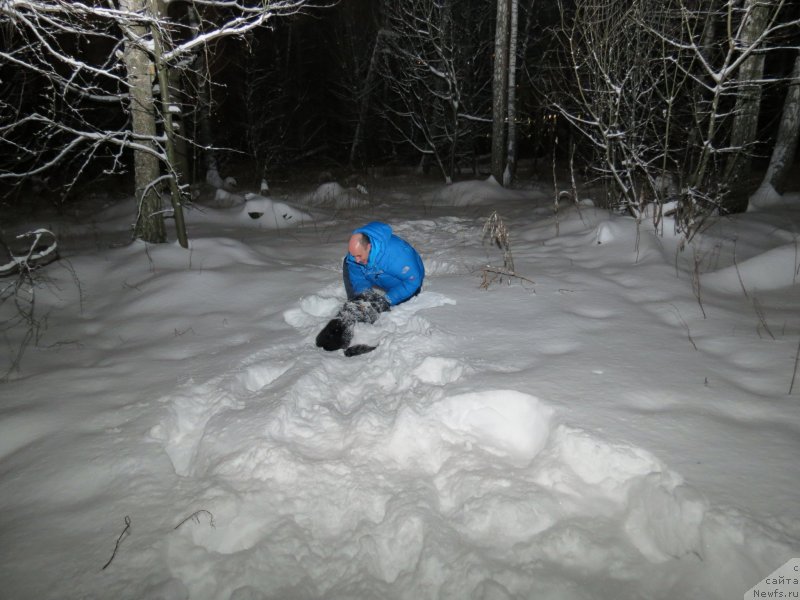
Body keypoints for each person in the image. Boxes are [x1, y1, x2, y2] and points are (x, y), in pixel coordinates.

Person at [316, 221, 425, 355]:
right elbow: (358, 278)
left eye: (359, 256)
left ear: (369, 246)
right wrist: (363, 298)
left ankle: (372, 339)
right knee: (360, 298)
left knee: (390, 309)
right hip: (377, 276)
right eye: (354, 255)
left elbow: (413, 281)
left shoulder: (399, 256)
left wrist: (387, 299)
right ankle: (344, 324)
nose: (356, 259)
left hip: (403, 282)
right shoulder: (355, 256)